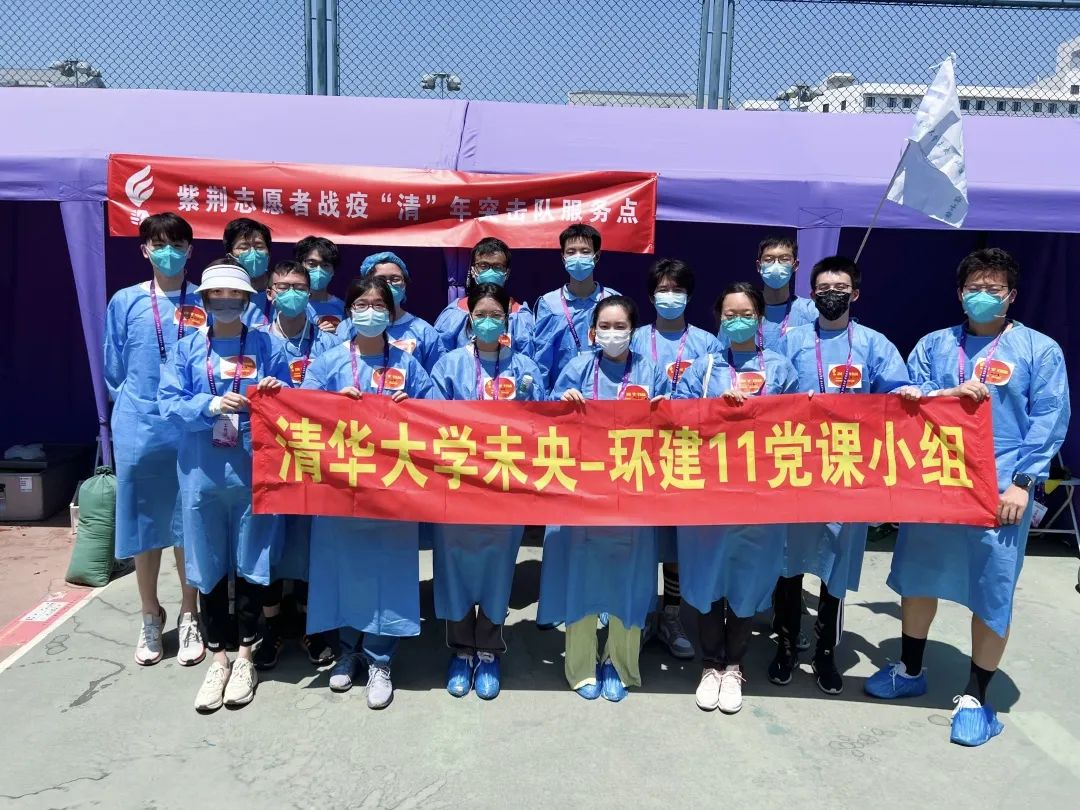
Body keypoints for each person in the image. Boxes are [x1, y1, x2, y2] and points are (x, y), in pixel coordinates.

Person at [865, 248, 1070, 747]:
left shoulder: (1038, 350)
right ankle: (910, 669)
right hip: (936, 481)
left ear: (1011, 295)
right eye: (974, 288)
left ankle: (977, 698)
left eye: (993, 289)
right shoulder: (935, 345)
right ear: (959, 294)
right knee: (919, 576)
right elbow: (909, 396)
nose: (983, 296)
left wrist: (1023, 482)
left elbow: (1049, 419)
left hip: (999, 488)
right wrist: (929, 395)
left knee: (991, 589)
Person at [771, 256, 920, 695]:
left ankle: (824, 653)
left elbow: (896, 394)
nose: (831, 295)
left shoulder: (873, 344)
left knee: (836, 566)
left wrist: (907, 393)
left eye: (840, 288)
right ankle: (784, 646)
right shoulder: (790, 340)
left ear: (855, 293)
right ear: (811, 294)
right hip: (795, 468)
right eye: (823, 288)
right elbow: (768, 390)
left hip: (848, 470)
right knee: (788, 564)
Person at [158, 260, 291, 712]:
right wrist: (211, 403)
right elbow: (168, 403)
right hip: (202, 473)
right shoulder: (187, 348)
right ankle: (218, 657)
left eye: (235, 295)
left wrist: (275, 390)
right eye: (218, 295)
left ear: (248, 300)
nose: (227, 302)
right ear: (205, 299)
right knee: (208, 562)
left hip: (254, 470)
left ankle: (247, 657)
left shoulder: (267, 345)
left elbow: (292, 402)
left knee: (252, 561)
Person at [305, 276, 435, 710]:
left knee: (388, 569)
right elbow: (301, 412)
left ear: (391, 311)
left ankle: (381, 659)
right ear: (348, 311)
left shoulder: (408, 364)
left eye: (379, 304)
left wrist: (412, 406)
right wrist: (331, 403)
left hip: (393, 488)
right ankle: (348, 650)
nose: (370, 311)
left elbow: (436, 415)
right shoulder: (329, 361)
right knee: (344, 567)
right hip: (340, 488)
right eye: (361, 304)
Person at [675, 283, 800, 714]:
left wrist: (754, 410)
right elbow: (677, 418)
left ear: (760, 318)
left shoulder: (780, 367)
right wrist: (716, 407)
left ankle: (734, 666)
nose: (738, 321)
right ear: (719, 319)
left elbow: (796, 421)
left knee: (748, 579)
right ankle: (710, 664)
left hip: (759, 494)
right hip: (708, 492)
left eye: (746, 314)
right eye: (730, 315)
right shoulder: (704, 367)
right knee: (707, 577)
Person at [538, 296, 664, 702]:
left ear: (633, 330)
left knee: (629, 578)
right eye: (605, 326)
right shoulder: (578, 367)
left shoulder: (649, 369)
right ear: (593, 331)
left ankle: (619, 664)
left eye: (620, 326)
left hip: (633, 489)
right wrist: (563, 404)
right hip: (584, 492)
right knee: (583, 575)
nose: (612, 334)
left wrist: (663, 410)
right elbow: (547, 418)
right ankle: (580, 665)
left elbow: (674, 423)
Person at [428, 283, 546, 700]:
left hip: (505, 488)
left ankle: (490, 650)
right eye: (481, 315)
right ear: (469, 319)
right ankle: (462, 650)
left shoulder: (526, 368)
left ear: (508, 321)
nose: (488, 322)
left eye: (496, 315)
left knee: (498, 569)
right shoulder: (449, 364)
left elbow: (542, 424)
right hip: (457, 486)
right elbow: (429, 422)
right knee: (455, 568)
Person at [105, 212, 205, 667]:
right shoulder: (126, 300)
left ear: (190, 250)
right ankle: (149, 613)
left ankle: (189, 612)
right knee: (143, 522)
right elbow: (114, 368)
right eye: (158, 244)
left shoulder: (203, 299)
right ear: (144, 249)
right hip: (140, 425)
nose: (168, 252)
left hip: (188, 426)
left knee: (188, 521)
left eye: (177, 244)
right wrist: (138, 408)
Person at [629, 258, 721, 661]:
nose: (670, 296)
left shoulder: (707, 344)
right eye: (663, 289)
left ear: (689, 295)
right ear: (651, 297)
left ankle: (671, 615)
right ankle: (641, 614)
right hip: (639, 455)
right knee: (644, 538)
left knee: (677, 541)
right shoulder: (633, 339)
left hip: (687, 455)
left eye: (677, 289)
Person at [252, 261, 338, 671]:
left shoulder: (328, 341)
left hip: (315, 457)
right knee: (269, 540)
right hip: (268, 456)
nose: (292, 293)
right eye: (283, 287)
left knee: (308, 540)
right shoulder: (256, 340)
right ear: (269, 293)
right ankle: (270, 627)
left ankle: (309, 624)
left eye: (299, 287)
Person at [532, 224, 620, 390]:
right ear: (563, 257)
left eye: (585, 251)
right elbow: (542, 360)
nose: (578, 257)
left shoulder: (614, 301)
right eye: (571, 252)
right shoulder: (549, 304)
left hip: (605, 394)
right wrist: (543, 399)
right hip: (562, 395)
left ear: (596, 256)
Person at [335, 251, 444, 371]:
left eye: (395, 279)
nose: (388, 285)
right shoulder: (347, 328)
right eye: (380, 280)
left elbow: (436, 375)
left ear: (404, 284)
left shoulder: (423, 332)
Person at [433, 237, 535, 356]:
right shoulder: (453, 315)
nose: (490, 271)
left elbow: (528, 360)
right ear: (473, 270)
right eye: (483, 265)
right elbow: (440, 358)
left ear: (507, 273)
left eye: (498, 266)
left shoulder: (521, 318)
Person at [721, 236, 817, 352]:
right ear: (759, 266)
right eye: (768, 259)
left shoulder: (811, 311)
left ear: (795, 265)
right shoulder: (740, 311)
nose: (776, 265)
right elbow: (723, 353)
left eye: (784, 259)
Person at [223, 217, 273, 327]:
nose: (253, 252)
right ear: (230, 257)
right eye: (244, 247)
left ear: (269, 254)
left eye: (259, 246)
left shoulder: (282, 295)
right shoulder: (220, 296)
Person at [295, 235, 345, 333]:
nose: (318, 270)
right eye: (312, 264)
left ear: (333, 271)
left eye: (325, 265)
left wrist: (338, 334)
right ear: (300, 266)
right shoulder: (289, 303)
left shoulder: (342, 308)